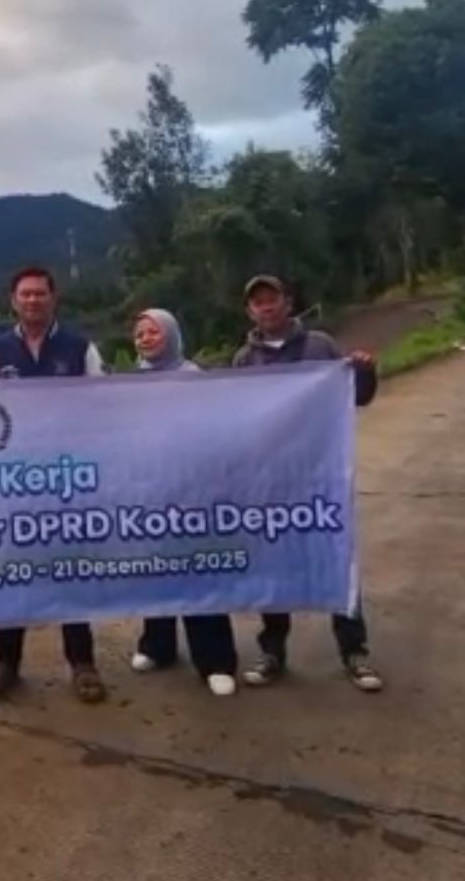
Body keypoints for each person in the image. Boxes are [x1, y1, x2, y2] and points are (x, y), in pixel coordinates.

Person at [233, 274, 383, 692]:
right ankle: (272, 651)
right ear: (250, 311)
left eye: (272, 298)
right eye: (258, 302)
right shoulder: (244, 359)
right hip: (270, 481)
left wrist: (365, 372)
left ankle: (354, 651)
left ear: (288, 302)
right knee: (273, 566)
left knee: (336, 561)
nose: (266, 306)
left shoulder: (321, 346)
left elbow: (357, 396)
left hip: (320, 475)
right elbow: (237, 419)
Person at [0, 266, 108, 704]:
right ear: (13, 300)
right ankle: (5, 662)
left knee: (71, 571)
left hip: (67, 479)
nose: (33, 300)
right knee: (13, 572)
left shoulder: (80, 347)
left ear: (54, 298)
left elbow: (105, 405)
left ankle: (82, 663)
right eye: (25, 294)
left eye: (40, 293)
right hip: (15, 482)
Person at [128, 309, 238, 696]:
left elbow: (216, 434)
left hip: (193, 493)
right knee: (157, 572)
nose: (145, 338)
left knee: (199, 574)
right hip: (149, 493)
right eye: (139, 333)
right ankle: (157, 646)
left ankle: (216, 660)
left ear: (172, 334)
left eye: (153, 331)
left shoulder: (194, 379)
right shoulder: (127, 385)